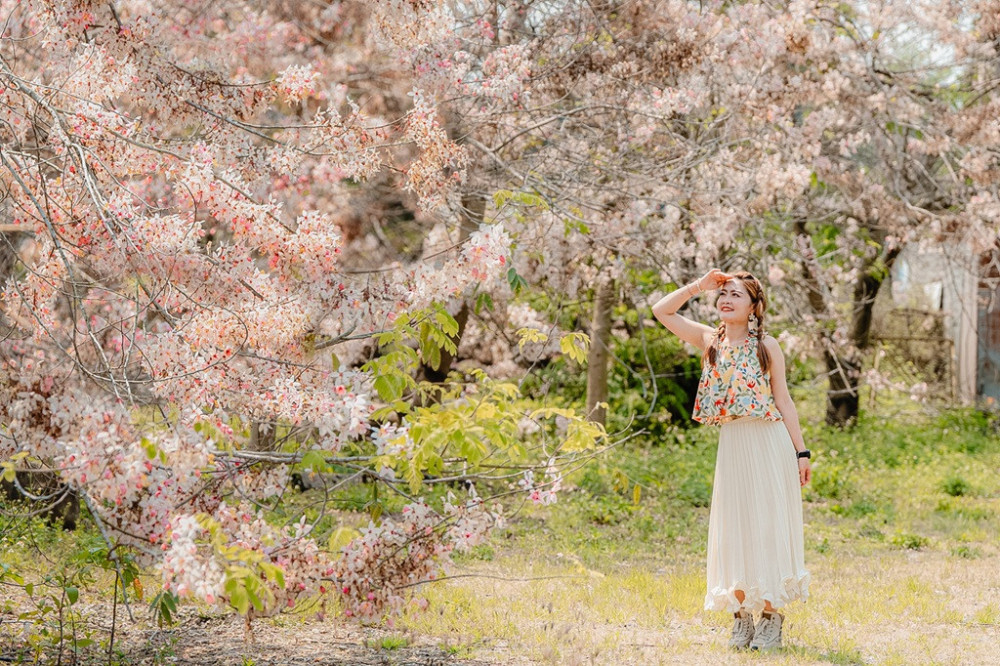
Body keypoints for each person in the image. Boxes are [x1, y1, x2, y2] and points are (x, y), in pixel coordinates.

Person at [652, 268, 811, 652]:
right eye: (723, 294)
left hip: (769, 439)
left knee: (768, 524)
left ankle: (771, 617)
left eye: (736, 295)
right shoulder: (709, 340)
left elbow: (783, 400)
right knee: (735, 525)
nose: (726, 299)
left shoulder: (767, 346)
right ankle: (741, 618)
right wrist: (698, 285)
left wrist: (801, 452)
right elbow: (661, 311)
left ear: (754, 307)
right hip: (733, 443)